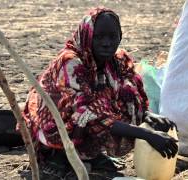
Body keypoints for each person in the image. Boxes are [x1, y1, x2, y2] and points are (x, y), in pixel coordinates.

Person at [21, 7, 178, 178]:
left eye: (112, 37)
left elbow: (132, 98)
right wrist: (146, 134)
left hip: (87, 116)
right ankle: (58, 155)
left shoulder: (119, 60)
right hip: (53, 120)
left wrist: (147, 116)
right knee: (88, 111)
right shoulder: (71, 62)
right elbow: (87, 114)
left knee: (125, 94)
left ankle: (91, 154)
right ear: (88, 36)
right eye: (99, 37)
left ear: (120, 36)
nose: (106, 43)